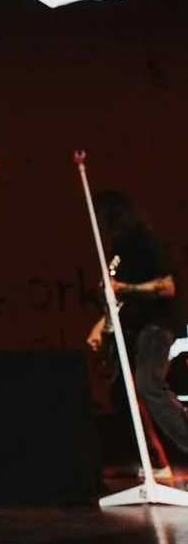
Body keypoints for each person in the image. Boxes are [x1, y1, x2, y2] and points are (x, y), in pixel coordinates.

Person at [87, 189, 188, 469]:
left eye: (99, 214)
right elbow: (118, 298)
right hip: (135, 325)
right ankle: (154, 460)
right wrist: (100, 325)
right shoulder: (118, 250)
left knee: (148, 384)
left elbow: (167, 287)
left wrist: (125, 287)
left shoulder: (143, 242)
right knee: (120, 390)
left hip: (156, 324)